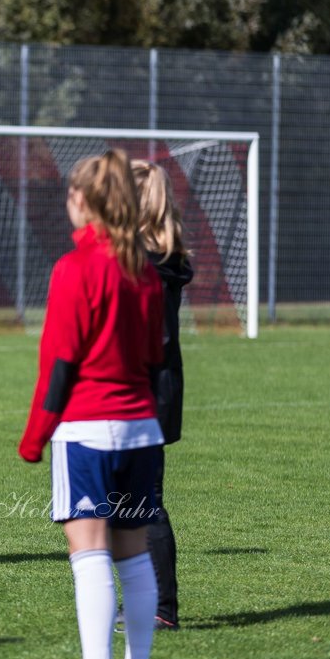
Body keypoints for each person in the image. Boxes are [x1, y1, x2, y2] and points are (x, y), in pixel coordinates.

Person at [17, 149, 165, 659]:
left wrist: (34, 438)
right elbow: (154, 355)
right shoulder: (143, 270)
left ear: (83, 201)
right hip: (141, 430)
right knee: (133, 553)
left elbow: (59, 365)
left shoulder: (75, 267)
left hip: (86, 430)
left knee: (90, 554)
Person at [132, 160, 193, 631]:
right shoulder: (165, 256)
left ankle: (160, 608)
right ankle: (150, 603)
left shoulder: (138, 261)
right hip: (162, 387)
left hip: (141, 388)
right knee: (132, 499)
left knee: (143, 500)